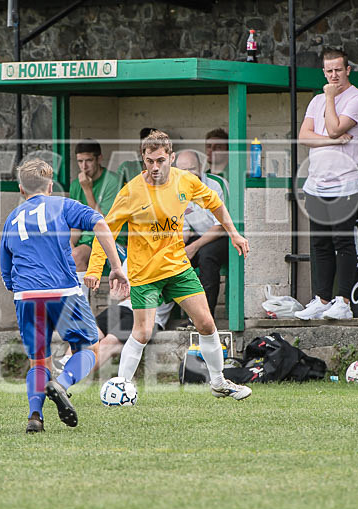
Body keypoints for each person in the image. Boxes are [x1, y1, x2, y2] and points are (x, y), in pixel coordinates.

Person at [84, 130, 252, 400]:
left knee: (207, 324)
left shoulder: (186, 181)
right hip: (145, 272)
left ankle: (219, 382)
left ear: (171, 158)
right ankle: (120, 388)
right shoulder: (131, 192)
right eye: (150, 161)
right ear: (143, 158)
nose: (155, 167)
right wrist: (94, 269)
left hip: (177, 268)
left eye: (161, 160)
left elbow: (216, 203)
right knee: (142, 330)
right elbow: (106, 231)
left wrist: (234, 233)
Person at [0, 159, 129, 433]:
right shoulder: (62, 204)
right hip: (63, 290)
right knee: (89, 348)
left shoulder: (12, 218)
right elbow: (100, 224)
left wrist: (22, 290)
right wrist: (116, 267)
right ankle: (63, 382)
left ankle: (35, 416)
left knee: (38, 360)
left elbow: (6, 269)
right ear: (50, 186)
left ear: (22, 189)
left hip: (26, 295)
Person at [295, 48, 358, 321]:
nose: (333, 75)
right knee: (320, 244)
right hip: (317, 184)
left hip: (345, 185)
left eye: (338, 69)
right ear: (323, 72)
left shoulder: (357, 99)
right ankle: (322, 299)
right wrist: (332, 141)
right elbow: (304, 136)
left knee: (343, 243)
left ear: (348, 69)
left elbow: (336, 126)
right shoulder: (315, 101)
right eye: (328, 71)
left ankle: (344, 302)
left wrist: (329, 98)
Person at [175, 148, 229, 317]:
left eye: (192, 168)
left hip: (225, 237)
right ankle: (182, 315)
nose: (188, 174)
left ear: (201, 166)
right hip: (200, 236)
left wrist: (194, 248)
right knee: (173, 259)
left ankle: (206, 318)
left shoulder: (215, 184)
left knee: (206, 256)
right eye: (183, 170)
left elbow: (220, 226)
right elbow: (183, 231)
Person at [69, 139, 124, 294]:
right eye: (80, 161)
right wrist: (68, 245)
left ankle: (80, 312)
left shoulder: (112, 181)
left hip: (111, 239)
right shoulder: (75, 185)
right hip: (86, 240)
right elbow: (75, 225)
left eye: (88, 161)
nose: (84, 167)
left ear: (99, 159)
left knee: (77, 255)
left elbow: (104, 223)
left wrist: (88, 190)